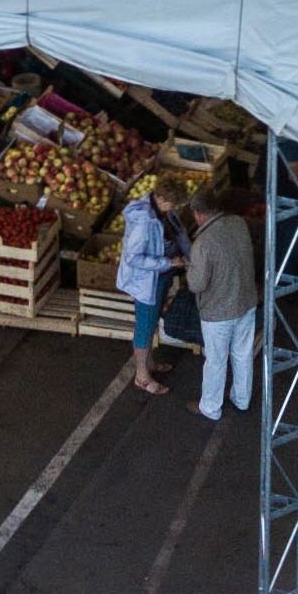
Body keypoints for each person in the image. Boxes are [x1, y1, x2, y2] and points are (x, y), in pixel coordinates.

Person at [187, 195, 260, 423]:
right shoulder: (238, 223)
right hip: (246, 301)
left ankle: (210, 407)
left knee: (216, 360)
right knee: (243, 353)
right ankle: (242, 398)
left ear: (198, 213)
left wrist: (189, 267)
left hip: (218, 312)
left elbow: (196, 284)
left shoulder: (203, 243)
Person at [117, 178, 188, 396]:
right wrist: (168, 263)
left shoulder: (163, 213)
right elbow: (133, 258)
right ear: (161, 199)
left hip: (160, 278)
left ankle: (149, 363)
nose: (174, 209)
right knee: (145, 325)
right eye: (172, 205)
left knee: (152, 320)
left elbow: (177, 233)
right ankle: (141, 375)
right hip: (147, 282)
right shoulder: (144, 222)